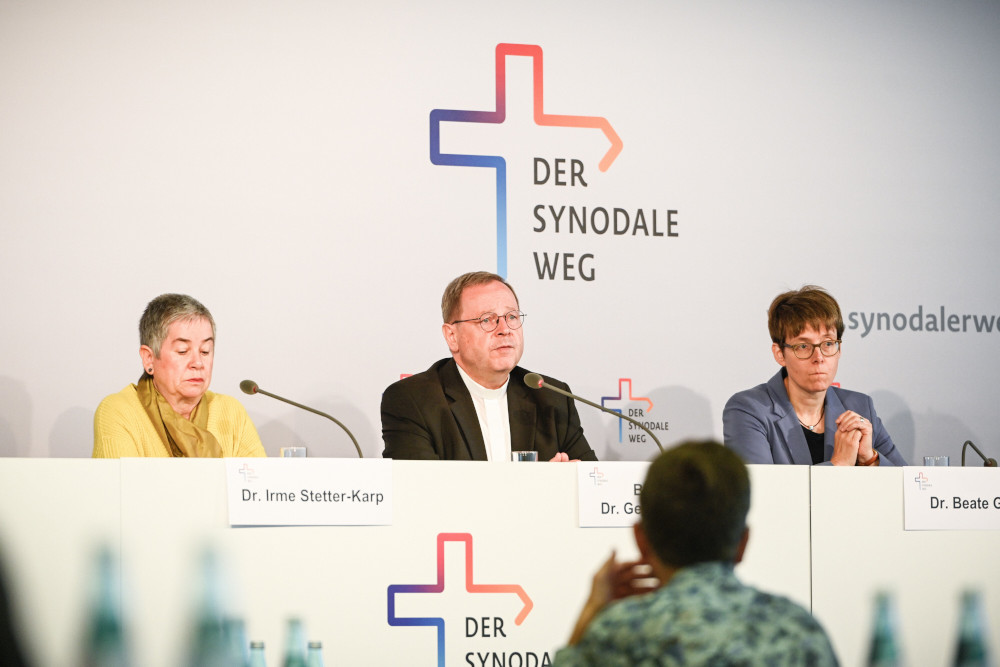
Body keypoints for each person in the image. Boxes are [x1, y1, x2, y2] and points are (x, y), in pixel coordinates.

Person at [552, 440, 838, 666]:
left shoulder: (618, 634)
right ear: (743, 543)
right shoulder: (798, 631)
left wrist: (592, 611)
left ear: (641, 541)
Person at [381, 271, 596, 461]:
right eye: (487, 320)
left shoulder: (551, 398)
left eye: (512, 316)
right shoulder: (413, 401)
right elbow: (420, 493)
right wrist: (541, 486)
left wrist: (573, 482)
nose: (505, 329)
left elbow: (593, 484)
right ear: (452, 336)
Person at [723, 285, 906, 466]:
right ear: (780, 354)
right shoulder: (749, 410)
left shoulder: (860, 407)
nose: (818, 358)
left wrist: (870, 459)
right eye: (803, 346)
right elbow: (759, 491)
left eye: (827, 344)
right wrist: (838, 466)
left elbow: (908, 486)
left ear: (839, 349)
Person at [93, 294, 265, 458]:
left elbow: (258, 485)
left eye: (205, 351)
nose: (198, 362)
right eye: (183, 351)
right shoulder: (120, 411)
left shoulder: (230, 412)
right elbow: (126, 487)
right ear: (149, 358)